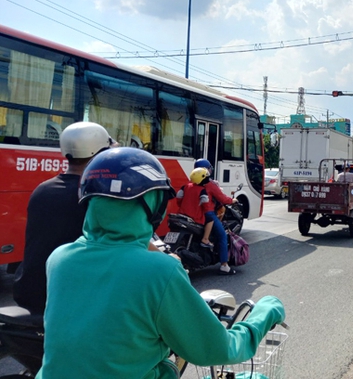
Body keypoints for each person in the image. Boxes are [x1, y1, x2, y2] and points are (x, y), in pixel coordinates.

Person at [37, 147, 285, 378]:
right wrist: (264, 313)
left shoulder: (60, 258)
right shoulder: (160, 272)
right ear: (152, 206)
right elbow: (219, 349)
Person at [13, 122, 114, 314]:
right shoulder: (94, 196)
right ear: (100, 154)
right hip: (67, 294)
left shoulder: (43, 189)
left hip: (29, 289)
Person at [178, 159, 238, 274]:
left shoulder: (189, 184)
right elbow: (222, 199)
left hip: (186, 213)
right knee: (222, 236)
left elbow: (179, 200)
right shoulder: (209, 185)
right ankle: (224, 265)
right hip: (207, 213)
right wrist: (232, 200)